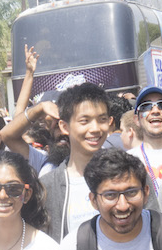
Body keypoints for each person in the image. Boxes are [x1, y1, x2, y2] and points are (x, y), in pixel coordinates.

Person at [10, 82, 124, 241]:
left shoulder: (128, 173)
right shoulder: (47, 186)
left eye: (102, 119)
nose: (95, 128)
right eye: (85, 121)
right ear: (64, 126)